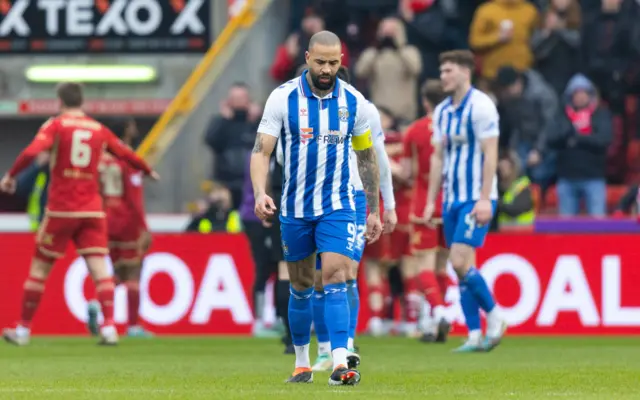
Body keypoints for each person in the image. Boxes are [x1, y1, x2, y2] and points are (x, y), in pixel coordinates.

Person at [250, 31, 382, 385]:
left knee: (336, 276)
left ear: (342, 61)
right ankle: (302, 362)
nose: (327, 69)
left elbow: (367, 157)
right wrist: (260, 192)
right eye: (321, 62)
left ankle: (340, 361)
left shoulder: (354, 102)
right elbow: (261, 152)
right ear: (307, 57)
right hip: (294, 208)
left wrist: (373, 208)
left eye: (334, 63)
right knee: (301, 286)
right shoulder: (282, 98)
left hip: (338, 205)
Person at [0, 82, 157, 346]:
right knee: (100, 270)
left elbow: (32, 151)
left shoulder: (56, 125)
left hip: (62, 208)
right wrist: (146, 169)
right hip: (93, 210)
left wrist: (10, 175)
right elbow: (124, 152)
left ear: (59, 100)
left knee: (39, 268)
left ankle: (24, 330)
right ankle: (109, 328)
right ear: (82, 101)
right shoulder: (98, 129)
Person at [308, 66, 397, 372]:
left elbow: (379, 159)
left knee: (345, 273)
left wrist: (388, 205)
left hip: (354, 198)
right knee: (320, 278)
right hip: (314, 199)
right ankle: (324, 350)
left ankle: (344, 346)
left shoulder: (364, 109)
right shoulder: (302, 109)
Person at [423, 50, 506, 352]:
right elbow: (437, 157)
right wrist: (432, 200)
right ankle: (473, 334)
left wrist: (484, 198)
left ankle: (495, 316)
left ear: (464, 72)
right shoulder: (443, 111)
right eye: (442, 71)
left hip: (475, 198)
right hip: (452, 198)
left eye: (448, 71)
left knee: (458, 261)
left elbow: (491, 154)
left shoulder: (482, 106)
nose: (442, 76)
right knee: (462, 267)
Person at [88, 117, 154, 338]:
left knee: (117, 270)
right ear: (126, 130)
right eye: (132, 125)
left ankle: (98, 306)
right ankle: (134, 326)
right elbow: (134, 197)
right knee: (134, 272)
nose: (135, 128)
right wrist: (143, 227)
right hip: (126, 221)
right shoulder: (128, 158)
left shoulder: (100, 158)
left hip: (104, 220)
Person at [402, 79, 450, 343]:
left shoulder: (415, 130)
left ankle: (440, 312)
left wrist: (389, 168)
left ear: (424, 101)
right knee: (442, 267)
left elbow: (408, 173)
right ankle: (432, 323)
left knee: (424, 267)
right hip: (450, 205)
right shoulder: (453, 128)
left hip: (424, 206)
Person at [547, 74, 612, 217]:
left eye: (584, 93)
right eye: (576, 93)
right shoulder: (561, 116)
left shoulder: (601, 115)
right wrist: (570, 134)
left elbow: (604, 140)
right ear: (570, 96)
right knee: (566, 230)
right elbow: (551, 139)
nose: (580, 97)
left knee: (598, 227)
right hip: (567, 178)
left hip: (594, 177)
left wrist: (577, 138)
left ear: (590, 95)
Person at [204, 82, 261, 209]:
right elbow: (210, 140)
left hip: (252, 182)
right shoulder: (220, 121)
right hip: (226, 182)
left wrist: (257, 120)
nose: (238, 102)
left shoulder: (258, 122)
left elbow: (266, 145)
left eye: (241, 98)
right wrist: (223, 120)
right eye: (235, 98)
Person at [497, 151, 535, 228]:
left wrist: (497, 203)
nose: (503, 172)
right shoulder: (500, 186)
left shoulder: (522, 184)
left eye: (506, 167)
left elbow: (516, 209)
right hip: (504, 231)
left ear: (513, 168)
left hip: (522, 230)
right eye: (501, 169)